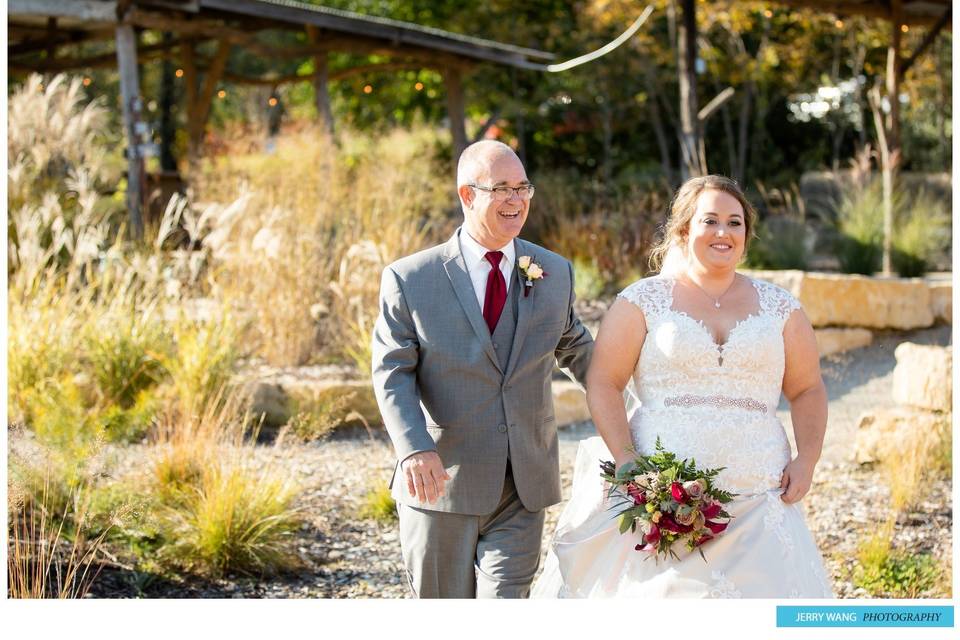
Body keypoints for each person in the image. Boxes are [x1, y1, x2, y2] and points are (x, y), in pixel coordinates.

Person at [531, 175, 833, 598]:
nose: (723, 232)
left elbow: (807, 389)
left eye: (735, 222)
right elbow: (603, 382)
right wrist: (626, 460)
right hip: (665, 499)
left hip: (760, 498)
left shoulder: (782, 307)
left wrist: (808, 459)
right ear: (684, 229)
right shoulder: (641, 301)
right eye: (710, 220)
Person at [371, 140, 594, 598]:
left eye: (523, 188)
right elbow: (391, 370)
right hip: (439, 481)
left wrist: (653, 399)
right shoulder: (411, 278)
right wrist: (413, 448)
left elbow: (581, 352)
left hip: (525, 484)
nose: (516, 200)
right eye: (502, 189)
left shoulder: (552, 271)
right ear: (467, 195)